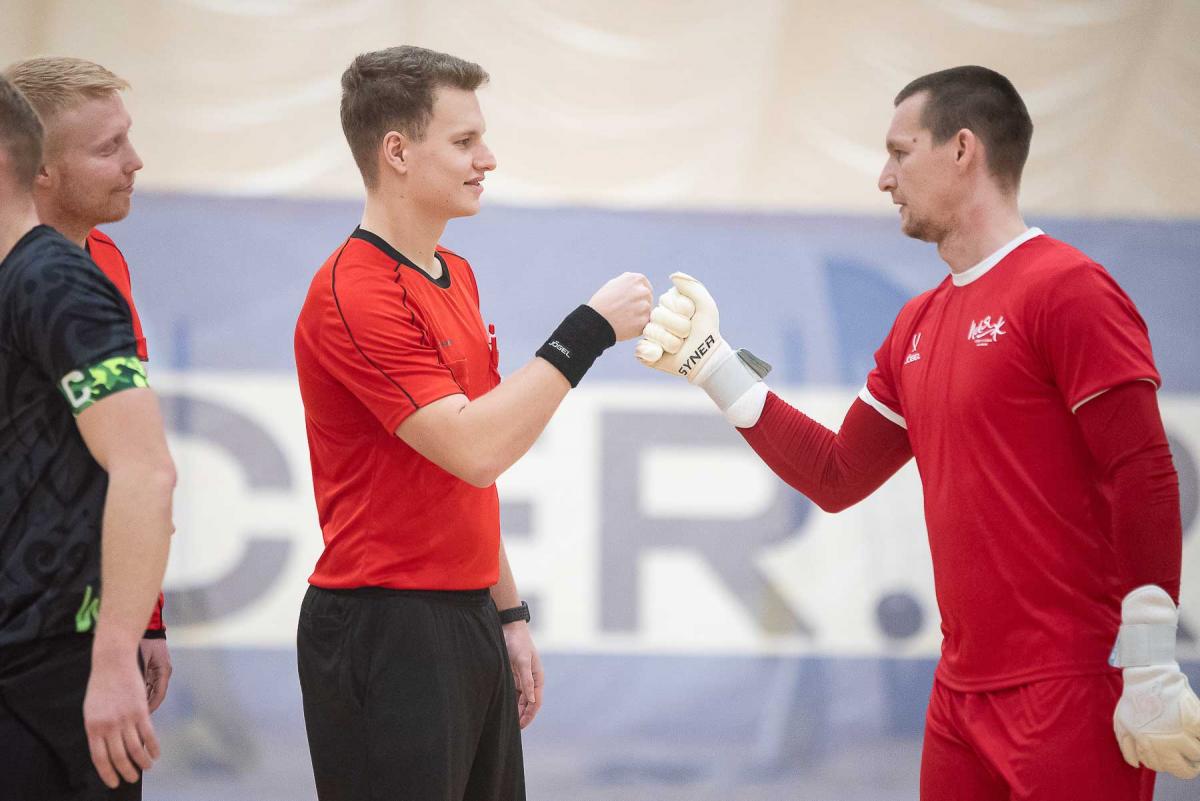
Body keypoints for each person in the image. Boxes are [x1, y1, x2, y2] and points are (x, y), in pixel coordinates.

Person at [637, 65, 1198, 800]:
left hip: (1073, 684)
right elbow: (835, 475)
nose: (884, 178)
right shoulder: (917, 323)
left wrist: (1151, 660)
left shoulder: (1069, 289)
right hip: (959, 696)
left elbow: (1144, 471)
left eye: (900, 153)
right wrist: (714, 364)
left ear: (962, 149)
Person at [293, 45, 651, 801]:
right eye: (464, 141)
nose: (487, 159)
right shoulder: (354, 292)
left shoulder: (455, 274)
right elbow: (476, 449)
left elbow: (466, 477)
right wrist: (587, 331)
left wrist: (506, 611)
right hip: (385, 626)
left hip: (461, 615)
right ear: (397, 152)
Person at [0, 75, 175, 800]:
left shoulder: (64, 282)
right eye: (110, 146)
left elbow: (142, 469)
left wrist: (120, 644)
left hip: (53, 657)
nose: (136, 161)